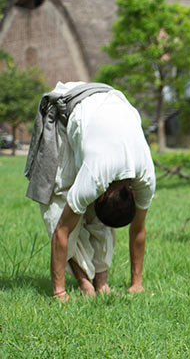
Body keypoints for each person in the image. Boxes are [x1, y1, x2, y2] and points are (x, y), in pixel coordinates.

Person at [24, 81, 156, 302]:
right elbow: (61, 231)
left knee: (96, 220)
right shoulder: (95, 178)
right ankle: (85, 283)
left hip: (109, 102)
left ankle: (101, 284)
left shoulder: (145, 177)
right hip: (70, 105)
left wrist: (137, 284)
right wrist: (59, 292)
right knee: (58, 204)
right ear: (101, 194)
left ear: (133, 193)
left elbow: (138, 230)